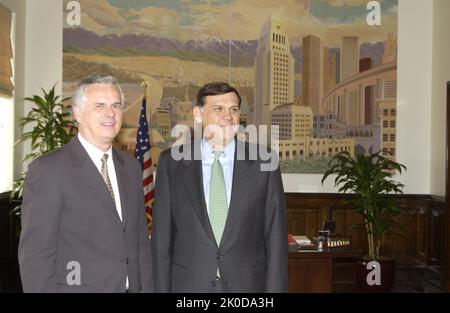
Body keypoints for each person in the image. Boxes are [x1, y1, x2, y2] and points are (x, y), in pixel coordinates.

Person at [18, 74, 152, 293]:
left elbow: (140, 244)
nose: (111, 114)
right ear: (77, 113)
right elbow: (36, 258)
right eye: (100, 106)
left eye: (116, 106)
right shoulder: (48, 170)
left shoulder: (131, 168)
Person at [152, 81, 288, 293]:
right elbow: (161, 242)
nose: (228, 116)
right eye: (219, 109)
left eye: (234, 110)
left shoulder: (264, 162)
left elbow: (276, 241)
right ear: (198, 114)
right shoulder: (172, 163)